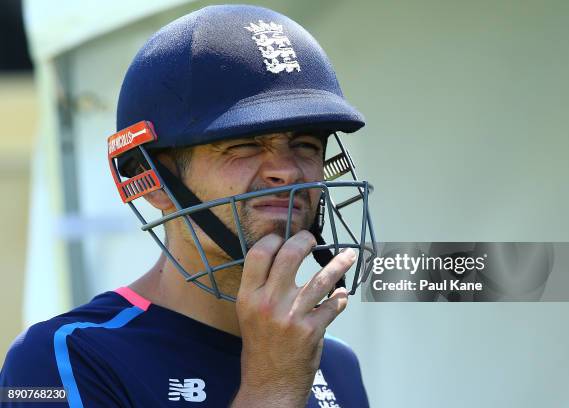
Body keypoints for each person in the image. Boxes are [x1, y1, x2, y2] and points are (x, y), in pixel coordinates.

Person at [1, 5, 377, 407]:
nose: (286, 170)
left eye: (306, 144)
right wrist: (272, 385)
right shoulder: (60, 360)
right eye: (244, 144)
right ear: (156, 183)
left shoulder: (335, 362)